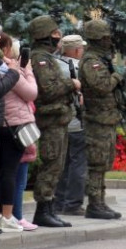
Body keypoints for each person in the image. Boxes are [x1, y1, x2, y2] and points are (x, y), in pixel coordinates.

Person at [28, 15, 79, 229]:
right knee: (51, 165)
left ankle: (49, 208)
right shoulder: (40, 59)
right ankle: (43, 211)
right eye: (55, 34)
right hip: (50, 119)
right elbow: (48, 89)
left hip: (57, 118)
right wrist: (71, 84)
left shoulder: (47, 58)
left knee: (56, 165)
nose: (58, 38)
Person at [0, 34, 37, 232]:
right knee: (9, 172)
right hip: (15, 126)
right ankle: (7, 216)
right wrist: (27, 71)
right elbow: (31, 92)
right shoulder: (10, 69)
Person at [78, 19, 126, 220]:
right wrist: (117, 76)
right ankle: (94, 204)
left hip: (106, 118)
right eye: (105, 37)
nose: (109, 41)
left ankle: (100, 201)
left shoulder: (101, 59)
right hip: (96, 119)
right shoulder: (92, 61)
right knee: (96, 163)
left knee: (103, 163)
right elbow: (102, 86)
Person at [53, 34, 87, 216]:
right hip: (76, 122)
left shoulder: (54, 66)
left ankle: (58, 202)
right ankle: (73, 203)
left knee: (62, 164)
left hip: (59, 122)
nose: (82, 51)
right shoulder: (78, 68)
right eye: (81, 48)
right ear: (75, 50)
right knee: (78, 164)